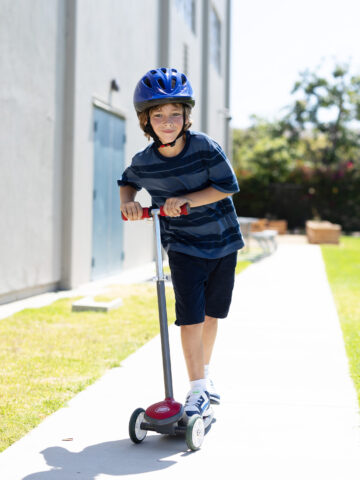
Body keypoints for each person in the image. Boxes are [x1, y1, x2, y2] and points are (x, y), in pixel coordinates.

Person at [118, 68, 244, 421]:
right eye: (158, 115)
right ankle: (198, 388)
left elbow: (226, 186)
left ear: (187, 116)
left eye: (175, 113)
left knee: (210, 315)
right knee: (190, 316)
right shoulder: (144, 162)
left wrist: (184, 199)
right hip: (183, 245)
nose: (168, 121)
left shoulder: (204, 147)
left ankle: (204, 374)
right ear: (146, 121)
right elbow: (127, 182)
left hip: (223, 241)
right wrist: (127, 202)